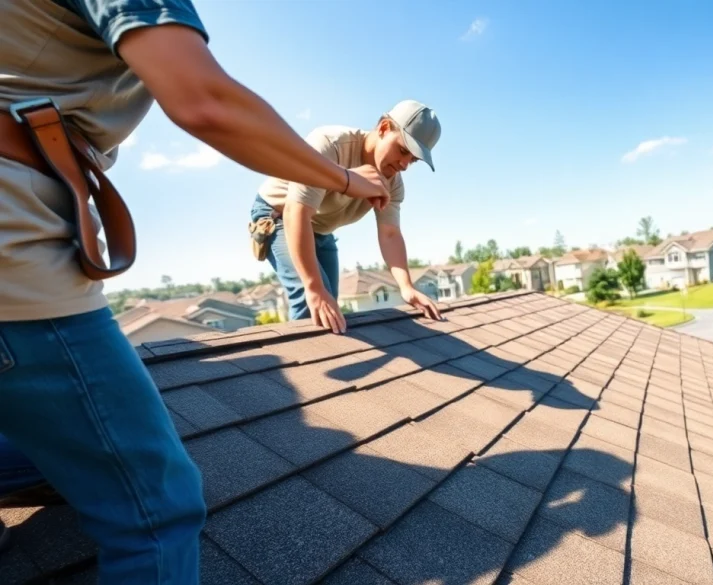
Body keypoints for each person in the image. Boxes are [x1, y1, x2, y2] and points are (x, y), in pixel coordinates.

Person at [0, 0, 390, 582]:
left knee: (51, 448)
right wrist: (346, 181)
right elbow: (203, 100)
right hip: (14, 244)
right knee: (158, 508)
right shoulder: (340, 146)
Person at [250, 101, 444, 333]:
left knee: (329, 301)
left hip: (321, 229)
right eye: (403, 150)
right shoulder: (330, 145)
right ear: (383, 128)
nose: (404, 164)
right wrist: (313, 288)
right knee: (311, 298)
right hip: (280, 215)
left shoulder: (392, 183)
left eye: (413, 159)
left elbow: (390, 233)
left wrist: (406, 286)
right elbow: (296, 211)